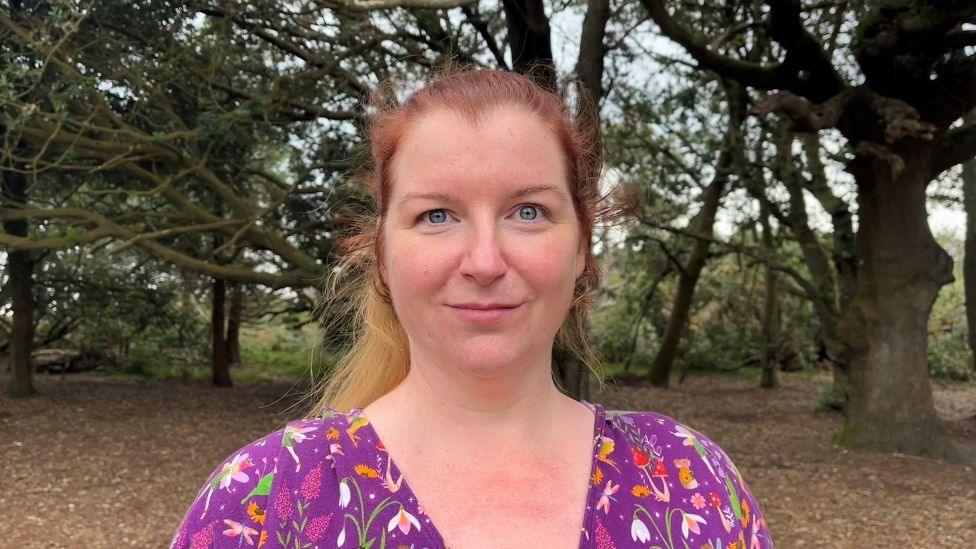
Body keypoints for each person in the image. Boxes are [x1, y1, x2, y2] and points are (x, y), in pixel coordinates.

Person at [169, 68, 774, 548]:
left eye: (528, 212)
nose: (485, 261)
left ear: (583, 246)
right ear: (381, 252)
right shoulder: (265, 501)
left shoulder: (690, 481)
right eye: (437, 215)